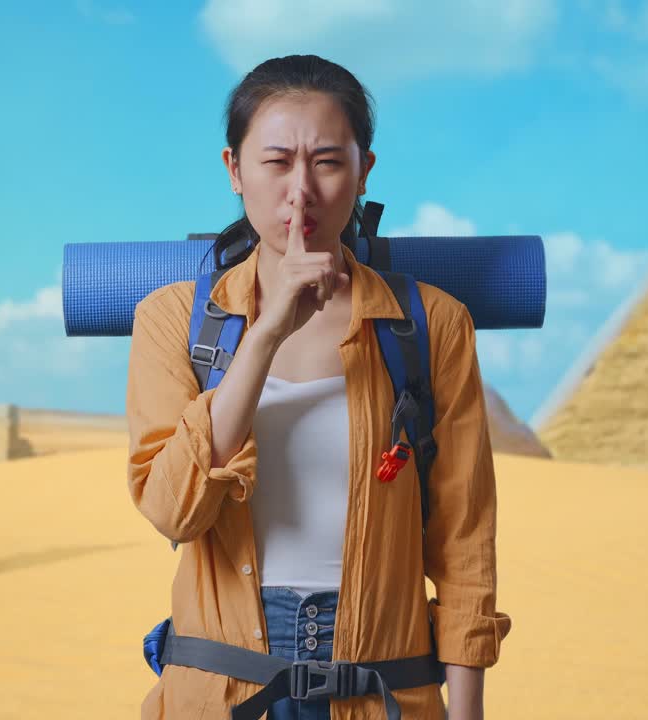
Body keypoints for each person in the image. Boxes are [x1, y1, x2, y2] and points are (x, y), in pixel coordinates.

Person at [126, 54, 511, 720]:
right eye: (276, 162)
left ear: (364, 172)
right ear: (234, 171)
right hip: (220, 691)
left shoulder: (432, 325)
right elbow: (173, 511)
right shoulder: (170, 319)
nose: (300, 191)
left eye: (328, 162)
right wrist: (268, 332)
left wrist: (468, 712)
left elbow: (464, 540)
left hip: (383, 684)